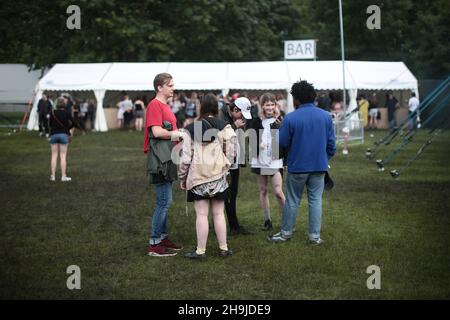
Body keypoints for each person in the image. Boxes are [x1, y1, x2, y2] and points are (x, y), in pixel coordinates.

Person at [268, 80, 336, 245]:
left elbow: (281, 143)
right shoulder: (326, 116)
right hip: (319, 166)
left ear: (296, 99)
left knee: (292, 200)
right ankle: (314, 237)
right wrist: (323, 160)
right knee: (315, 200)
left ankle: (285, 234)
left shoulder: (291, 118)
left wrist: (279, 128)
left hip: (297, 166)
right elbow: (331, 146)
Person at [179, 93, 237, 260]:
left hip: (198, 177)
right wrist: (226, 164)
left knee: (202, 215)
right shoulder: (225, 127)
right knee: (219, 213)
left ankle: (200, 251)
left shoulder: (190, 128)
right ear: (216, 108)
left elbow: (185, 158)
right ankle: (224, 249)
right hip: (219, 175)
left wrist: (183, 178)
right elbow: (233, 151)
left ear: (201, 107)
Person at [144, 73, 185, 257]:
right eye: (169, 85)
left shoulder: (164, 105)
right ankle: (154, 243)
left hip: (167, 158)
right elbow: (157, 131)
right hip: (160, 160)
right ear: (159, 87)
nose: (172, 88)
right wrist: (178, 134)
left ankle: (162, 237)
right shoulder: (154, 105)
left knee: (165, 201)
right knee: (164, 202)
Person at [249, 93, 285, 231]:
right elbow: (251, 139)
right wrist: (258, 144)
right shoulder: (257, 120)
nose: (269, 107)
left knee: (278, 192)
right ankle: (267, 220)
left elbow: (286, 139)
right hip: (259, 159)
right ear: (262, 105)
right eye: (267, 104)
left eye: (272, 104)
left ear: (275, 105)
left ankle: (286, 221)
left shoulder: (280, 119)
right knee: (263, 190)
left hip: (275, 160)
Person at [219, 96, 253, 235]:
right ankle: (232, 226)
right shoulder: (223, 118)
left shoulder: (230, 117)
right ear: (234, 109)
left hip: (234, 162)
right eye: (240, 113)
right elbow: (220, 136)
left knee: (232, 195)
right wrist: (234, 126)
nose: (242, 117)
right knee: (227, 196)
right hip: (227, 165)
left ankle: (234, 225)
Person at [48, 97, 74, 182]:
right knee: (63, 156)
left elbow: (50, 124)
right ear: (64, 104)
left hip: (54, 134)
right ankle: (63, 176)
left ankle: (53, 176)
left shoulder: (52, 112)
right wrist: (67, 128)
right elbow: (73, 123)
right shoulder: (67, 112)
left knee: (54, 156)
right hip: (63, 135)